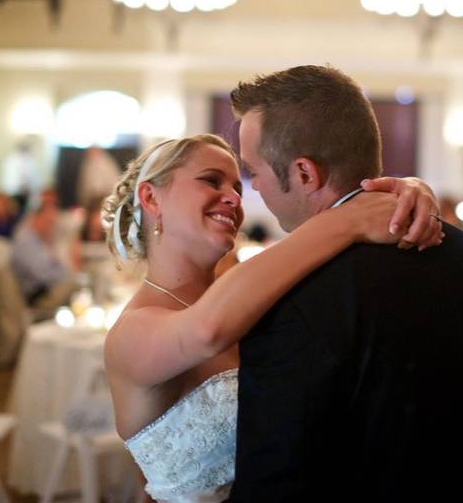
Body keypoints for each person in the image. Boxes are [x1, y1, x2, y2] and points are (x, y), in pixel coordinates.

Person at [103, 130, 445, 502]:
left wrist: (407, 191)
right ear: (151, 197)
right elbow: (206, 331)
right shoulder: (132, 332)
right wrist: (348, 220)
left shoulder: (253, 297)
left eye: (238, 185)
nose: (234, 198)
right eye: (210, 180)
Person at [231, 65, 463, 500]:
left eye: (255, 172)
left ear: (305, 173)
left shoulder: (294, 292)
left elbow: (276, 478)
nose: (256, 188)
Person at [10, 201, 77, 309]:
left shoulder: (40, 242)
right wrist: (61, 275)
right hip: (37, 297)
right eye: (48, 221)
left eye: (52, 223)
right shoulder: (26, 241)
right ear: (37, 218)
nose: (50, 226)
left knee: (77, 284)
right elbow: (41, 275)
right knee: (74, 284)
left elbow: (58, 268)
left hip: (47, 290)